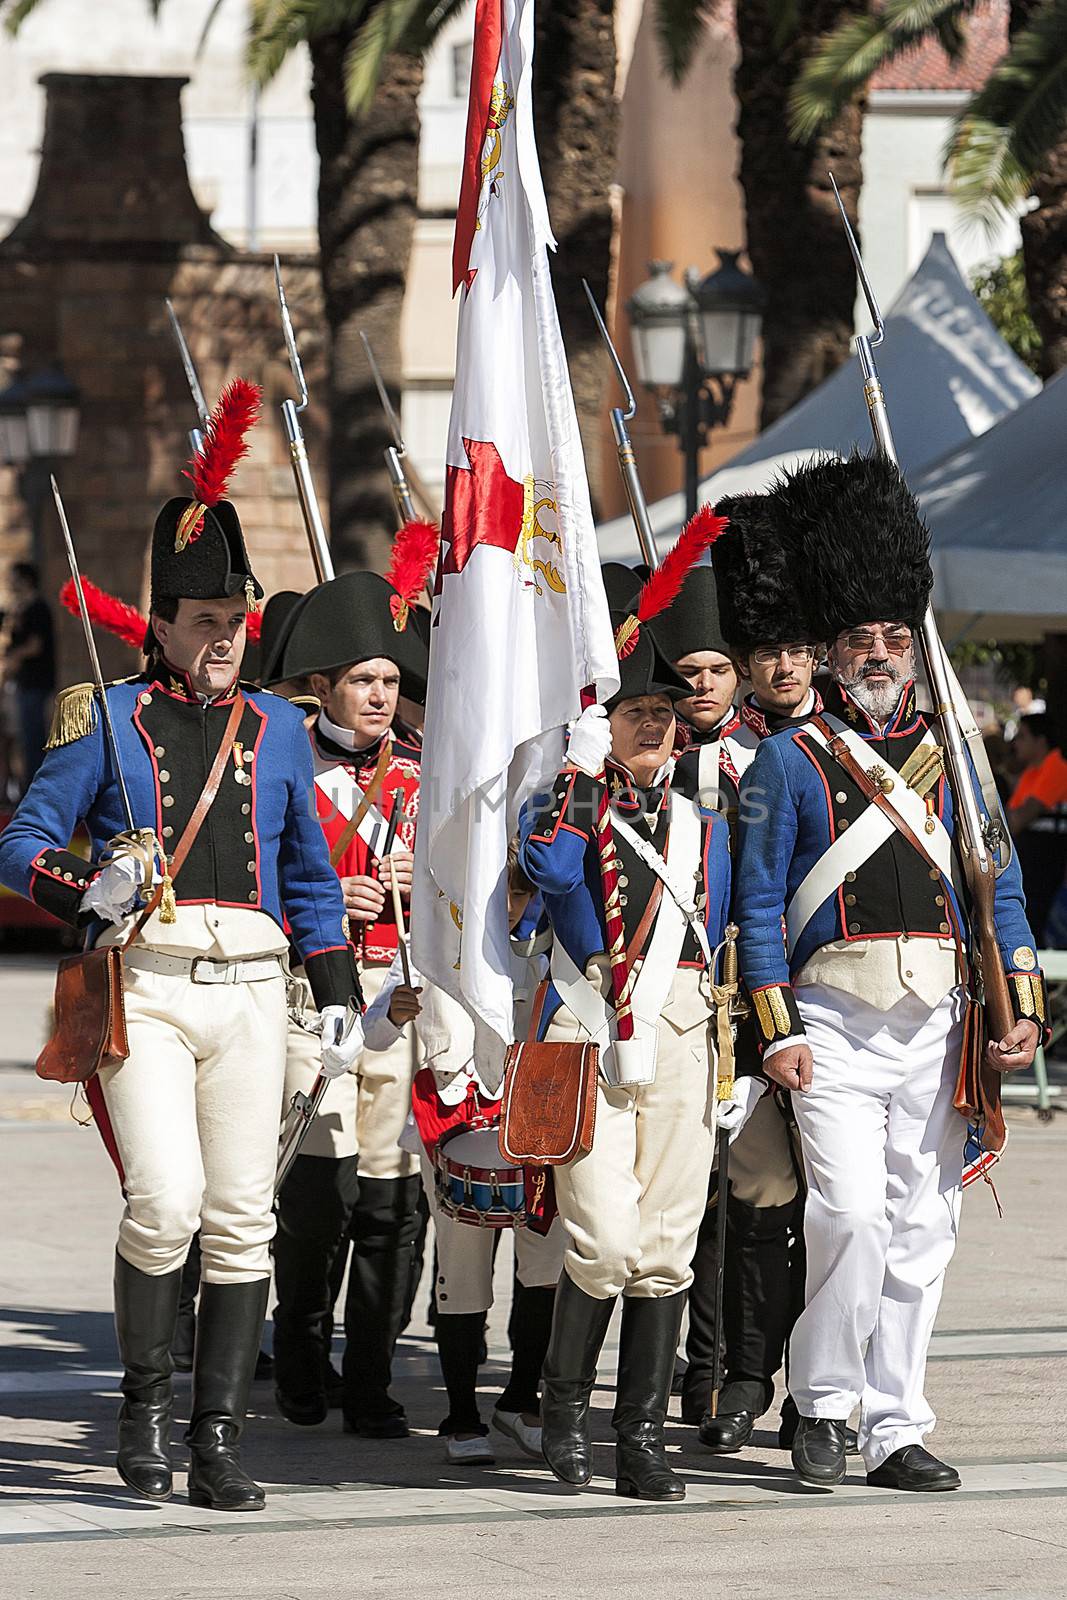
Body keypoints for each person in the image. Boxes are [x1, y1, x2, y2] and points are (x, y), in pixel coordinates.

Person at [0, 384, 364, 1513]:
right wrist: (88, 882)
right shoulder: (100, 716)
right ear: (158, 621)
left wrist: (338, 987)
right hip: (146, 984)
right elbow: (19, 842)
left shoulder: (282, 729)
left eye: (233, 617)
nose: (220, 636)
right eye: (201, 617)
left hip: (255, 989)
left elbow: (308, 871)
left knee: (243, 1214)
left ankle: (216, 1438)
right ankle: (144, 1412)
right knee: (162, 1196)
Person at [734, 452, 1046, 1494]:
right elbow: (758, 905)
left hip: (938, 1021)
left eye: (892, 636)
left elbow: (992, 884)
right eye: (858, 638)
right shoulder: (790, 757)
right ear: (827, 651)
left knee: (922, 1227)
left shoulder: (956, 756)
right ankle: (818, 1400)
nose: (878, 652)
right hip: (828, 1017)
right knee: (849, 1213)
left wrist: (1023, 1007)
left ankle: (893, 1424)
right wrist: (773, 1024)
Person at [518, 602, 751, 1503]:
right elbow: (544, 873)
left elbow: (726, 929)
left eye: (662, 712)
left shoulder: (709, 820)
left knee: (664, 1251)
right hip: (587, 1028)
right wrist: (579, 775)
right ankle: (564, 1409)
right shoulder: (565, 804)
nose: (653, 725)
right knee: (603, 1242)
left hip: (684, 1032)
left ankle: (640, 1436)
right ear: (600, 726)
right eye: (633, 714)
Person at [653, 497, 823, 1451]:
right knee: (746, 1199)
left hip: (817, 995)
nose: (781, 666)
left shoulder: (835, 754)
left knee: (834, 1205)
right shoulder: (682, 759)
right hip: (720, 1000)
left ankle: (818, 1383)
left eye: (797, 646)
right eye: (765, 651)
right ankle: (737, 1371)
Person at [266, 569, 428, 1439]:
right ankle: (299, 1355)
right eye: (362, 680)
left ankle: (370, 1377)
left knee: (389, 1199)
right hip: (311, 997)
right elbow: (259, 876)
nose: (378, 695)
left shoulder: (416, 774)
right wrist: (327, 898)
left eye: (390, 681)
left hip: (398, 999)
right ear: (323, 685)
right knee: (318, 1194)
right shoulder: (281, 760)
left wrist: (419, 881)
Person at [364, 855, 565, 1467]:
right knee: (463, 1269)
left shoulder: (555, 943)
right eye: (500, 890)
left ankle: (520, 1398)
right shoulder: (429, 944)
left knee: (545, 1265)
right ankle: (461, 1413)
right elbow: (372, 1035)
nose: (510, 904)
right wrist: (392, 1012)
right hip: (457, 1123)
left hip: (537, 1118)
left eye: (519, 892)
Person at [1008, 711, 1067, 946]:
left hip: (1049, 875)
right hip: (1034, 871)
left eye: (1022, 737)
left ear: (1040, 741)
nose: (1015, 743)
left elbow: (1015, 820)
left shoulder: (1057, 767)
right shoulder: (1032, 772)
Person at [4, 561, 56, 791]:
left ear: (25, 579)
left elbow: (35, 645)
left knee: (34, 737)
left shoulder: (38, 608)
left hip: (36, 682)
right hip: (23, 682)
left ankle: (36, 790)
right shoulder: (21, 609)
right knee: (24, 737)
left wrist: (15, 657)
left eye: (14, 577)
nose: (10, 582)